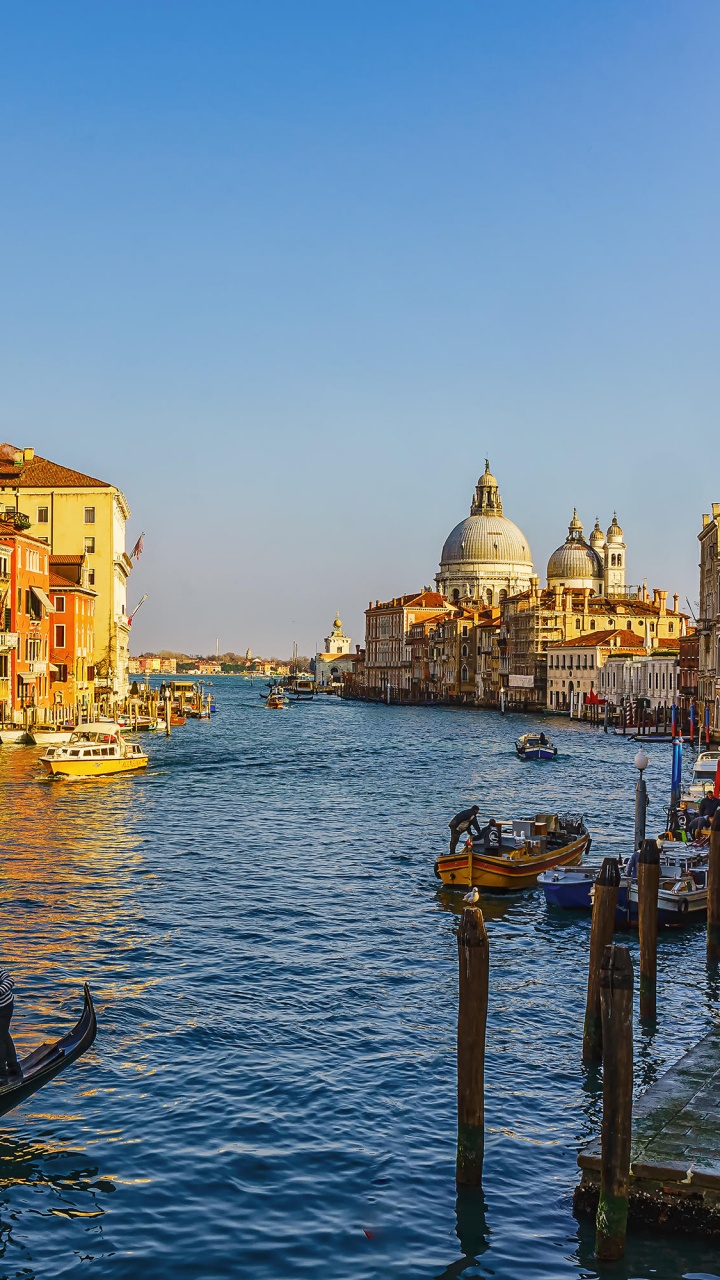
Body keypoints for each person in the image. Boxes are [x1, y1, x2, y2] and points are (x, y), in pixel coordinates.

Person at [0, 966, 21, 1083]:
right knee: (4, 1035)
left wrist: (0, 990)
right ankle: (14, 1068)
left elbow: (9, 980)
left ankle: (1, 1076)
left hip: (4, 1007)